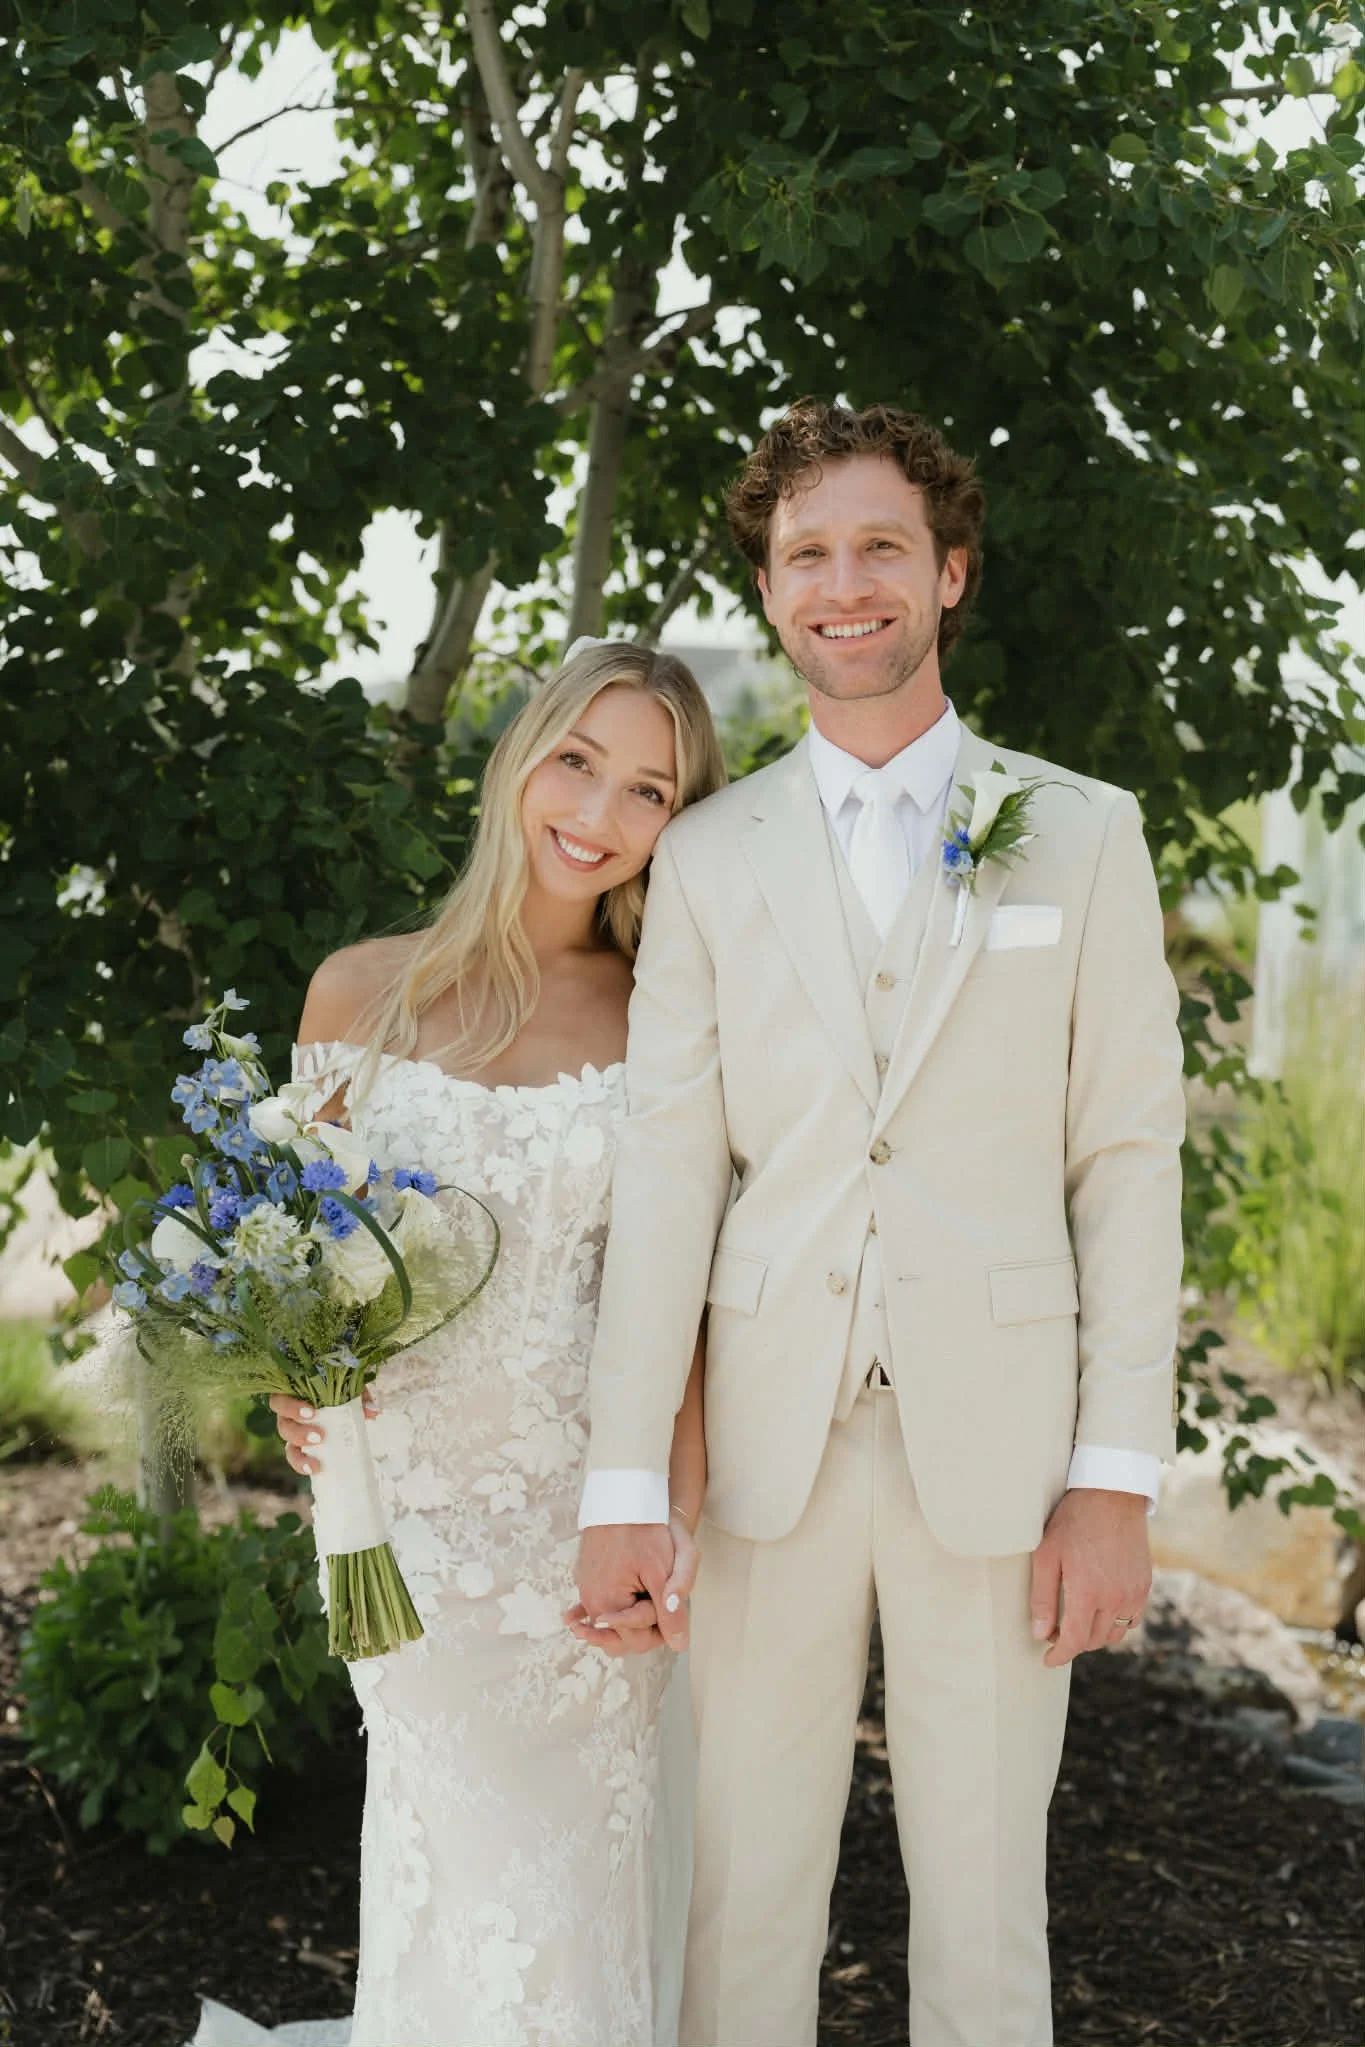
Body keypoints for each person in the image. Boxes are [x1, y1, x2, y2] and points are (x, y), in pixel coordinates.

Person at [574, 400, 1186, 2047]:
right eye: (807, 555)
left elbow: (1128, 1161)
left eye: (880, 548)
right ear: (772, 594)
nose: (845, 583)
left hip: (1000, 1454)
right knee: (735, 1897)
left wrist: (1114, 1480)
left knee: (990, 1900)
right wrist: (627, 1479)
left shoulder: (1084, 831)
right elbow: (670, 1174)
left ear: (950, 573)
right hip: (766, 1449)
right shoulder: (703, 858)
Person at [191, 641, 727, 2047]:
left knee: (568, 1906)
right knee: (453, 1880)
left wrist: (675, 1513)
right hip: (403, 1522)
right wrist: (296, 1394)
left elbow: (683, 1302)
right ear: (518, 757)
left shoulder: (668, 1012)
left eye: (649, 789)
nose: (599, 811)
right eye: (577, 761)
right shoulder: (355, 994)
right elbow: (290, 1259)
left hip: (586, 1534)